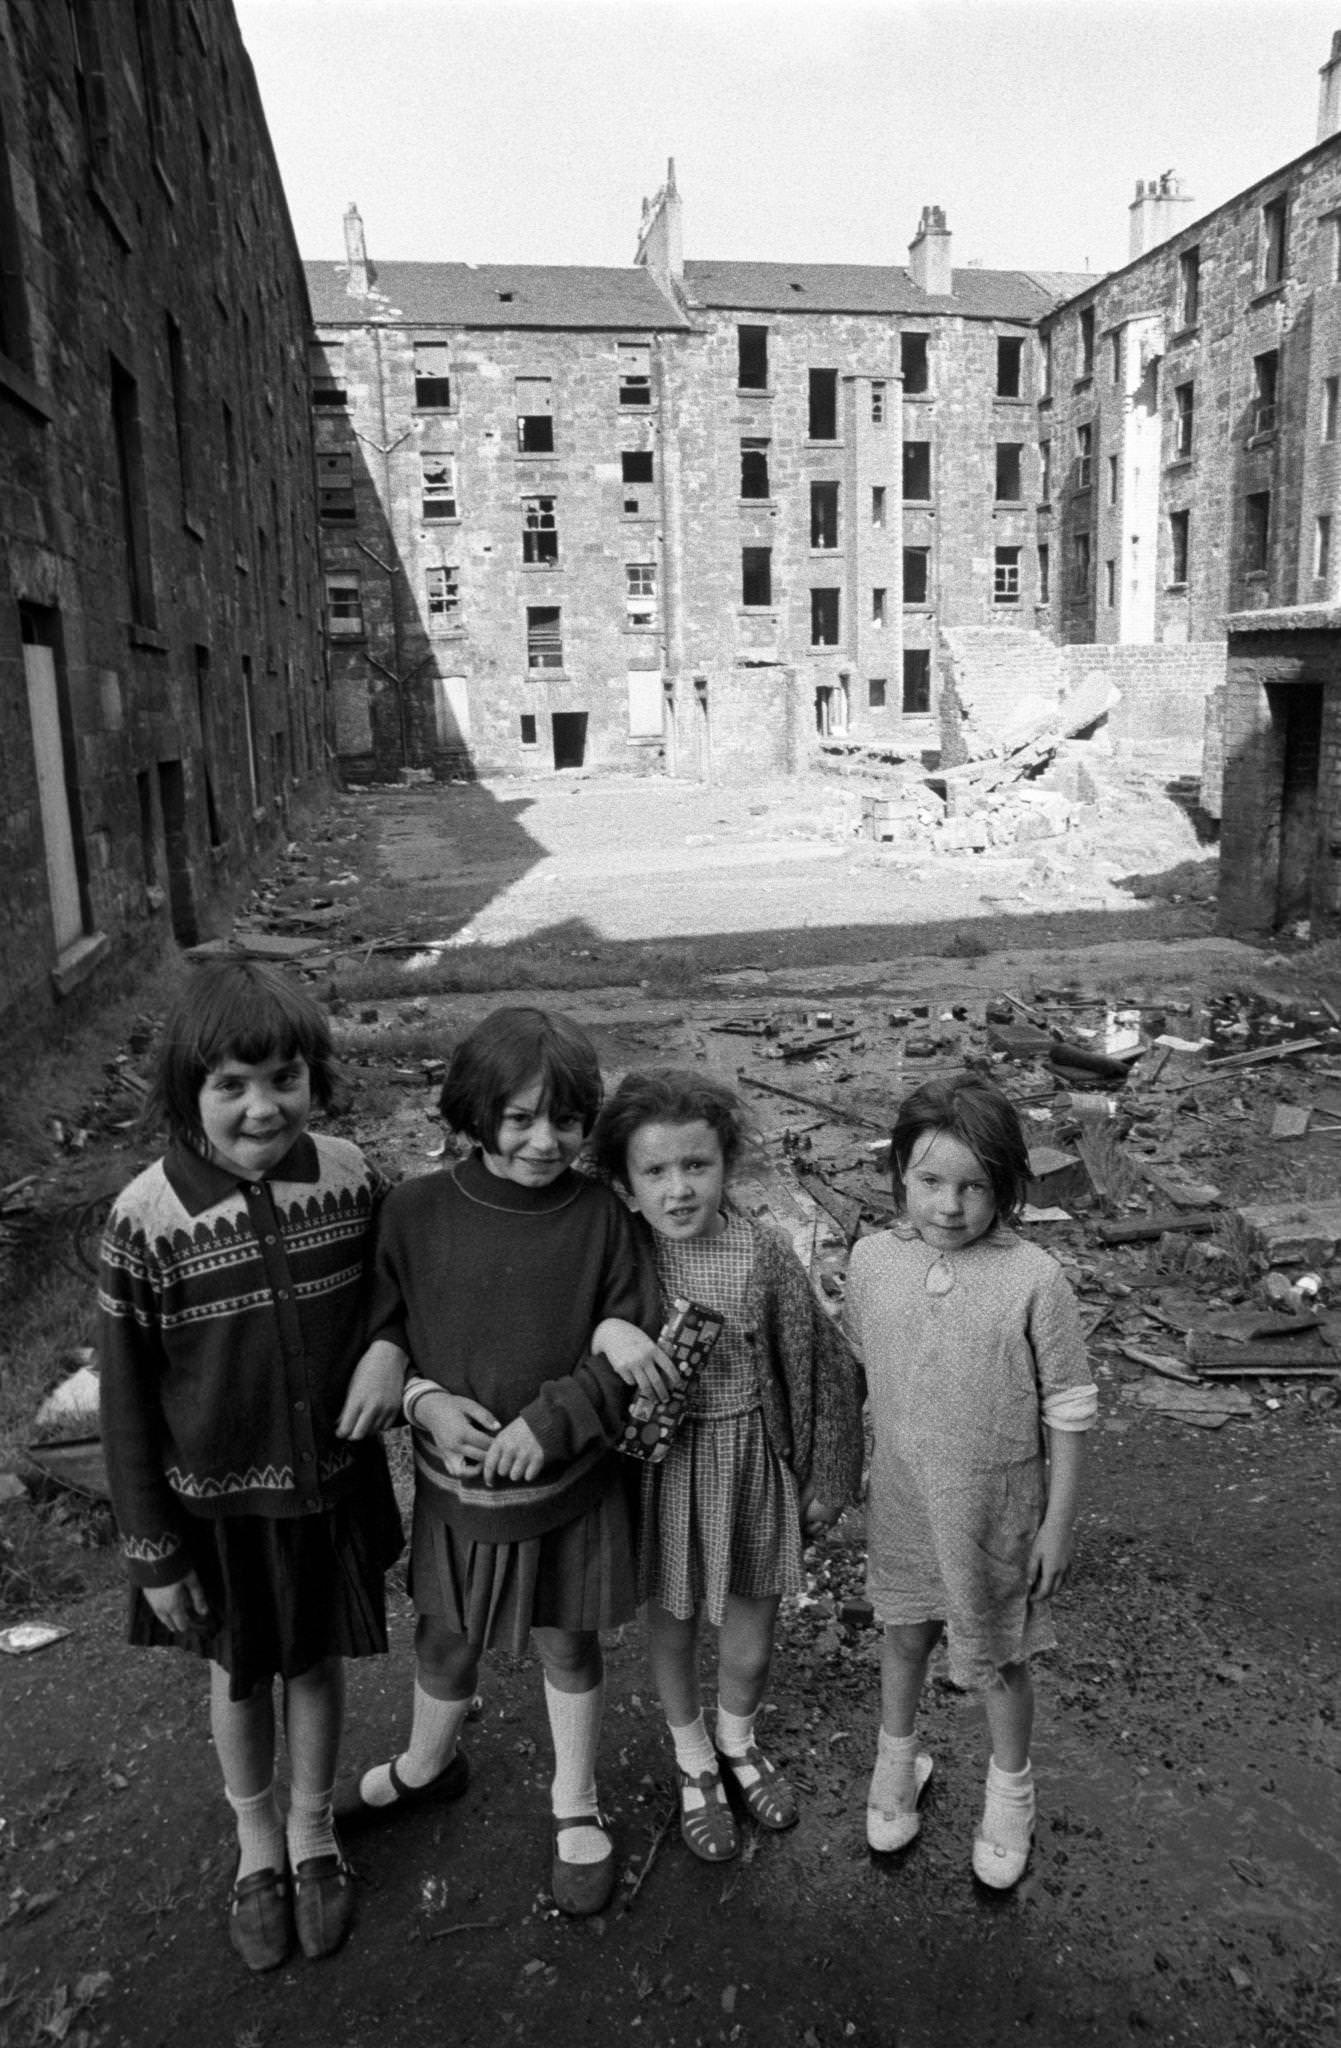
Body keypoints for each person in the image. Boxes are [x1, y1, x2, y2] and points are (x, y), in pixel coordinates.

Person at [98, 962, 404, 1972]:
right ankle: (256, 1842)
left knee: (312, 1659)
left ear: (314, 1077)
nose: (261, 1106)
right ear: (187, 1089)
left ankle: (314, 1831)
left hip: (326, 1486)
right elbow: (128, 1399)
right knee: (239, 1673)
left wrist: (390, 1346)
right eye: (231, 1084)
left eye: (283, 1077)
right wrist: (151, 1548)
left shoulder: (353, 1177)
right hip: (216, 1508)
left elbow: (397, 1292)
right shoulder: (145, 1220)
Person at [353, 1007, 660, 1918]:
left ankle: (575, 1800)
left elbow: (634, 1340)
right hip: (459, 1491)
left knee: (567, 1640)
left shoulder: (604, 1215)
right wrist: (423, 1403)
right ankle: (425, 1763)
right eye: (519, 1117)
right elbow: (384, 1327)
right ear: (472, 1110)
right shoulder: (413, 1209)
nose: (543, 1141)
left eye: (566, 1120)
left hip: (568, 1488)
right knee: (445, 1636)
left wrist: (558, 1417)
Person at [589, 1070, 863, 1865]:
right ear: (623, 1183)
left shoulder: (763, 1252)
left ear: (726, 1165)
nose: (678, 1190)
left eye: (697, 1166)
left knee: (750, 1634)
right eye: (655, 1172)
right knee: (670, 1621)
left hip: (749, 1462)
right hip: (661, 1472)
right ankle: (693, 1760)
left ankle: (738, 1743)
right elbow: (572, 1336)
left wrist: (832, 1474)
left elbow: (823, 1365)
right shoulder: (619, 1255)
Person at [844, 1071, 1096, 1889]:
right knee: (905, 1629)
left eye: (973, 1186)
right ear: (899, 1178)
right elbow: (864, 1371)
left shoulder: (1033, 1278)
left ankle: (1009, 1791)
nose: (948, 1206)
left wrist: (1057, 1524)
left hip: (996, 1509)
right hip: (905, 1501)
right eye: (928, 1182)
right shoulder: (871, 1262)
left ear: (1005, 1188)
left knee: (999, 1651)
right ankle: (896, 1762)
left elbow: (1068, 1403)